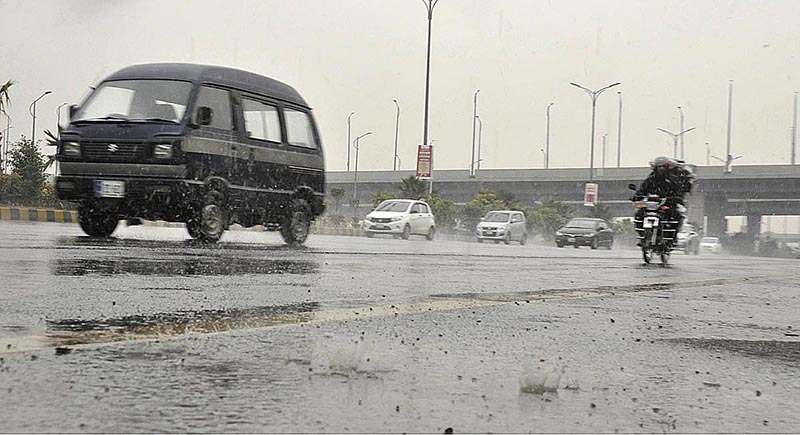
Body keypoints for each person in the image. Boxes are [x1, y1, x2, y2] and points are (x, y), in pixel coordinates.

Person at [632, 156, 682, 245]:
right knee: (639, 214)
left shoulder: (672, 179)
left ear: (667, 167)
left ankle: (672, 239)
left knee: (676, 215)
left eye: (663, 166)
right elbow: (643, 188)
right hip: (652, 205)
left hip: (667, 204)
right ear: (655, 167)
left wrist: (675, 198)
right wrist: (637, 196)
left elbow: (678, 190)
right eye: (659, 166)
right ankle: (642, 236)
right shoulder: (651, 178)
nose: (661, 168)